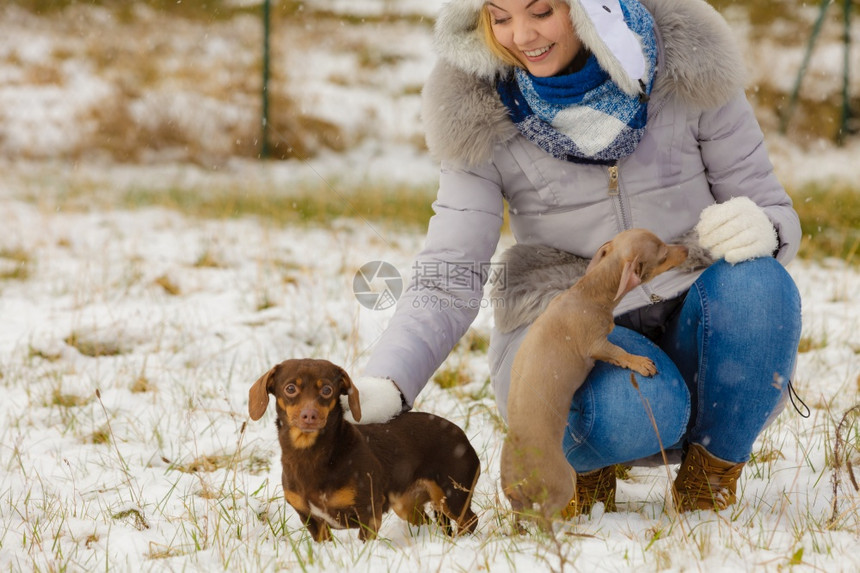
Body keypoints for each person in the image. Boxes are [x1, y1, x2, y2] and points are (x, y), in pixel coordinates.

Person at [345, 0, 802, 515]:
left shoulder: (686, 64)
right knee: (640, 406)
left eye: (540, 11)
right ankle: (582, 467)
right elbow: (451, 270)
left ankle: (710, 475)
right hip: (560, 329)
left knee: (762, 286)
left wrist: (763, 226)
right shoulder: (478, 105)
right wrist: (388, 381)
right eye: (499, 17)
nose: (521, 35)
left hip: (689, 302)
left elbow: (770, 205)